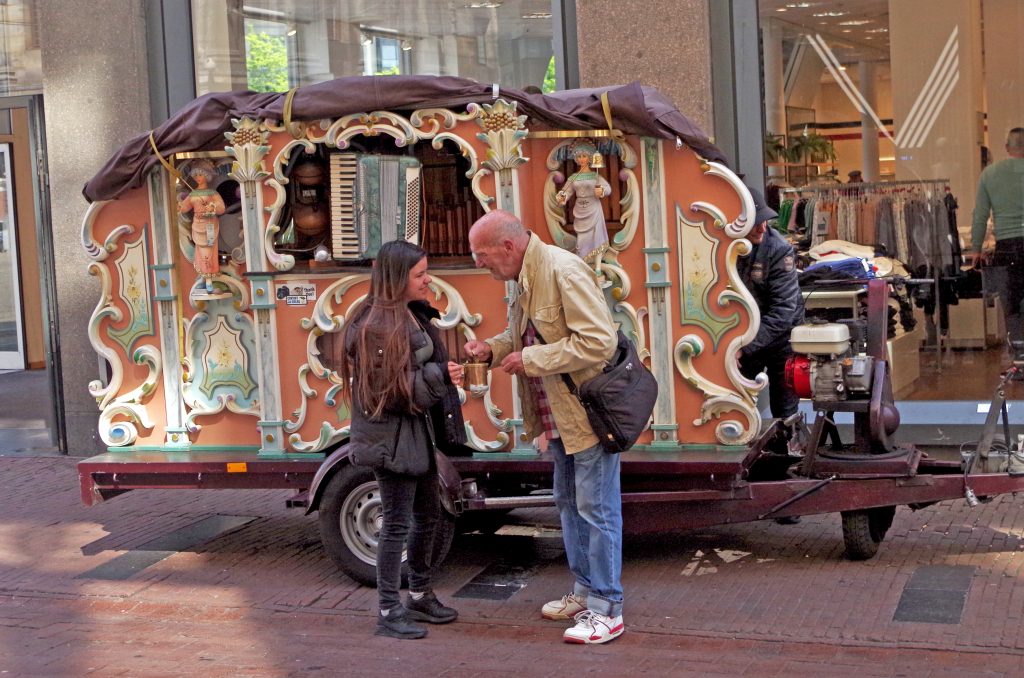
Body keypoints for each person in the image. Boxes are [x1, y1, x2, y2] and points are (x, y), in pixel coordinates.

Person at [463, 210, 624, 645]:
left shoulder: (562, 269)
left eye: (482, 255)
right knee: (570, 504)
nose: (480, 264)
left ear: (508, 247)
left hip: (585, 416)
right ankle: (586, 591)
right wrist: (490, 350)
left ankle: (608, 609)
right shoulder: (528, 274)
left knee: (596, 509)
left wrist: (530, 360)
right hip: (558, 417)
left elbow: (599, 342)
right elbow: (527, 339)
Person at [338, 240, 467, 640]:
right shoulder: (376, 325)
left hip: (414, 434)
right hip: (389, 439)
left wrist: (441, 370)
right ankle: (388, 609)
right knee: (395, 524)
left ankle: (420, 593)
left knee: (428, 515)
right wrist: (440, 377)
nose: (428, 280)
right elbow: (391, 394)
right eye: (419, 275)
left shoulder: (408, 315)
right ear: (397, 279)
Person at [738, 185, 804, 420]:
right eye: (756, 222)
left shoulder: (778, 249)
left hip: (780, 338)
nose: (762, 227)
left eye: (765, 220)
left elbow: (783, 312)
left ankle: (787, 451)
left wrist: (744, 347)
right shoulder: (724, 247)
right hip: (746, 334)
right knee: (738, 404)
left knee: (785, 409)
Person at [970, 127, 1024, 358]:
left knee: (1012, 307)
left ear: (1006, 147)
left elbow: (980, 215)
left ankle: (1020, 359)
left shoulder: (989, 175)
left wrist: (976, 249)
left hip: (1006, 248)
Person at [556, 140, 612, 266]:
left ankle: (597, 268)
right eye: (579, 156)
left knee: (596, 237)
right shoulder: (573, 177)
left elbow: (607, 188)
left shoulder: (595, 176)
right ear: (576, 158)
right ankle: (583, 265)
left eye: (584, 156)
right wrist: (561, 197)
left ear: (589, 158)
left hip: (594, 208)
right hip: (580, 210)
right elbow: (566, 191)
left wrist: (601, 190)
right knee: (581, 240)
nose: (582, 159)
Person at [178, 159, 225, 293]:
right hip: (197, 225)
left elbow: (221, 208)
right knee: (201, 251)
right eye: (196, 175)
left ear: (207, 176)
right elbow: (185, 207)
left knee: (208, 251)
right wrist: (179, 206)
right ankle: (205, 278)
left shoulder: (212, 193)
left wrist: (212, 207)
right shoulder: (193, 194)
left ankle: (209, 278)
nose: (198, 178)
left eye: (201, 175)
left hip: (210, 225)